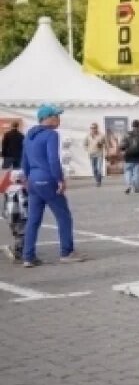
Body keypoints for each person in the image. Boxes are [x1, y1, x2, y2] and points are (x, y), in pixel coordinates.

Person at [20, 105, 83, 267]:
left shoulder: (29, 135)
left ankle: (28, 256)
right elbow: (53, 159)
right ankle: (67, 252)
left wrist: (26, 178)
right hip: (47, 178)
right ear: (48, 118)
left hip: (33, 179)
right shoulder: (51, 135)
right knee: (63, 216)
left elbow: (24, 160)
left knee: (33, 219)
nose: (59, 119)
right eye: (56, 116)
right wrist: (60, 180)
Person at [120, 121, 139, 194]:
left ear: (132, 126)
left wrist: (123, 151)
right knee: (137, 173)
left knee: (128, 171)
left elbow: (122, 145)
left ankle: (128, 185)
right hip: (138, 156)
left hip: (128, 156)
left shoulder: (127, 134)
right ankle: (136, 187)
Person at [84, 123, 106, 187]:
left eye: (94, 128)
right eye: (91, 128)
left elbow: (105, 143)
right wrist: (88, 150)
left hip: (99, 153)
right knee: (94, 169)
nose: (93, 129)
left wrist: (102, 144)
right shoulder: (88, 136)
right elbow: (85, 144)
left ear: (97, 128)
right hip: (91, 154)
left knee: (99, 168)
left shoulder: (101, 135)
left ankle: (98, 181)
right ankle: (97, 179)